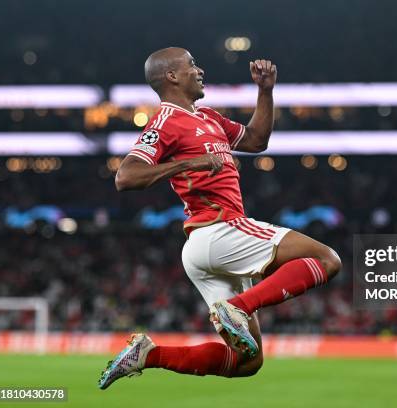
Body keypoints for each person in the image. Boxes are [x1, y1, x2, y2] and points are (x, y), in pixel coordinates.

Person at [98, 47, 341, 389]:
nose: (200, 70)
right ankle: (238, 308)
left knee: (247, 361)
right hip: (220, 228)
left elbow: (257, 141)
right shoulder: (165, 122)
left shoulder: (208, 117)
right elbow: (126, 177)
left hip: (206, 249)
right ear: (172, 76)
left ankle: (148, 355)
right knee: (326, 258)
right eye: (191, 64)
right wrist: (187, 164)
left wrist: (265, 91)